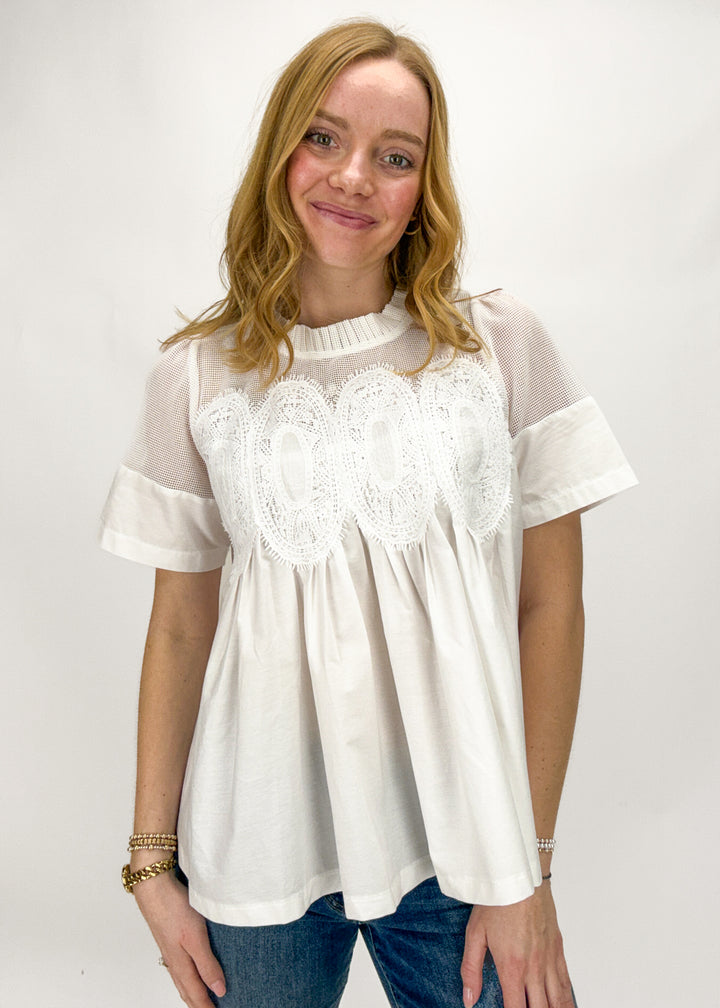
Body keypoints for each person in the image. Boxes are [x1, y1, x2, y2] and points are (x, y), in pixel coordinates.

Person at [100, 19, 636, 1008]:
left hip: (464, 861)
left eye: (396, 157)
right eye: (324, 136)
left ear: (424, 187)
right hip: (258, 859)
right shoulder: (197, 379)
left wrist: (530, 861)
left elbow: (550, 608)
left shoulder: (499, 348)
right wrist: (150, 870)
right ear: (280, 150)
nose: (354, 177)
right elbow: (180, 625)